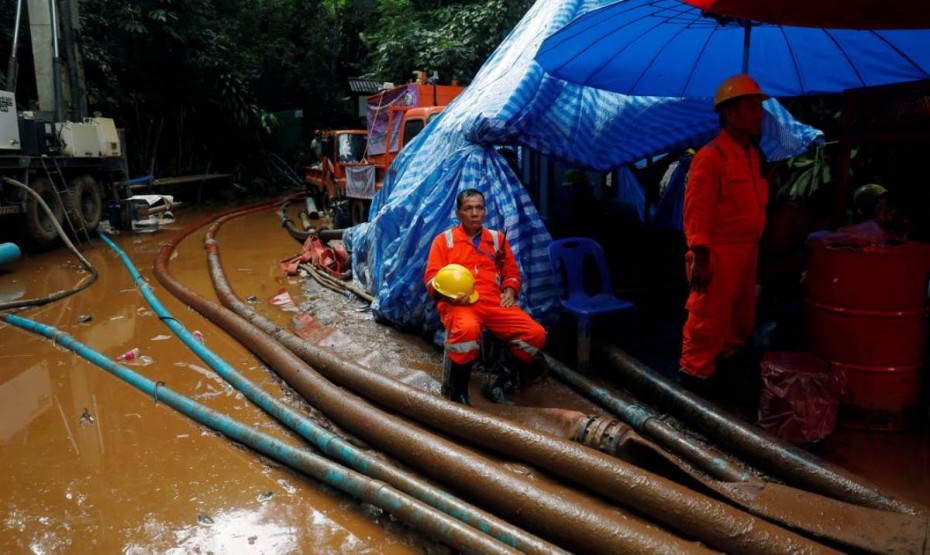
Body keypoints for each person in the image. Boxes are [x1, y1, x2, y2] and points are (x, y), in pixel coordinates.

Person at [679, 74, 770, 389]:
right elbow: (696, 213)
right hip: (717, 254)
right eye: (751, 108)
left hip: (748, 251)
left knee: (740, 321)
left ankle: (724, 373)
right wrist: (701, 256)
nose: (759, 114)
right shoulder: (710, 158)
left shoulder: (751, 156)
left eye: (760, 108)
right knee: (708, 319)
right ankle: (693, 377)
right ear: (729, 113)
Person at [424, 188, 547, 405]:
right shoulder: (444, 241)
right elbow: (431, 279)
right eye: (468, 208)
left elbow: (511, 273)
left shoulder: (497, 240)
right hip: (459, 304)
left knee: (535, 334)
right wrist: (449, 296)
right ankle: (458, 390)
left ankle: (498, 381)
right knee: (467, 330)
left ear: (485, 211)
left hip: (493, 302)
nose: (474, 213)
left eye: (479, 208)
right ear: (458, 214)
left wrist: (509, 291)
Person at [808, 183, 905, 247]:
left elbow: (820, 238)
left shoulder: (873, 229)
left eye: (882, 208)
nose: (878, 210)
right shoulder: (873, 229)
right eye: (878, 207)